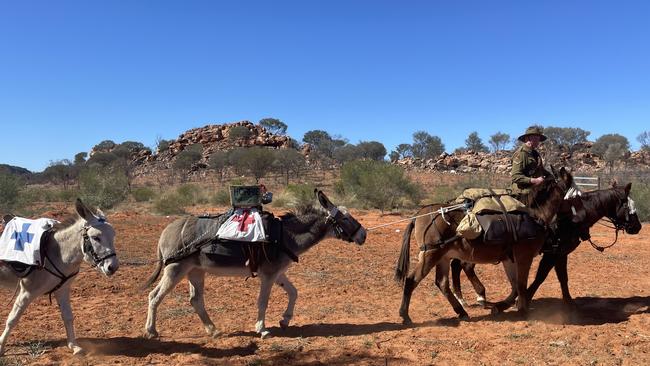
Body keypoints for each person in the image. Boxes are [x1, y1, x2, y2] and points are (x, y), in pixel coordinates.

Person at [511, 126, 552, 197]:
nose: (538, 142)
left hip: (534, 190)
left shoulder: (535, 154)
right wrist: (535, 180)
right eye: (536, 139)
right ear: (528, 139)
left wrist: (552, 176)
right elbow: (515, 177)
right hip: (522, 192)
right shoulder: (521, 154)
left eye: (539, 139)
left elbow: (540, 169)